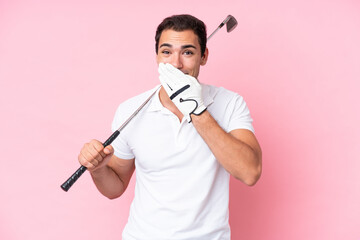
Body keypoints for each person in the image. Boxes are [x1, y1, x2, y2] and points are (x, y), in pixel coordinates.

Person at [78, 14, 262, 240]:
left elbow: (250, 172)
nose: (176, 64)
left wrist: (197, 110)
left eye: (187, 52)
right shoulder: (130, 109)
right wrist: (98, 169)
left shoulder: (230, 103)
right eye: (166, 52)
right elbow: (114, 188)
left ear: (203, 56)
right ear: (156, 57)